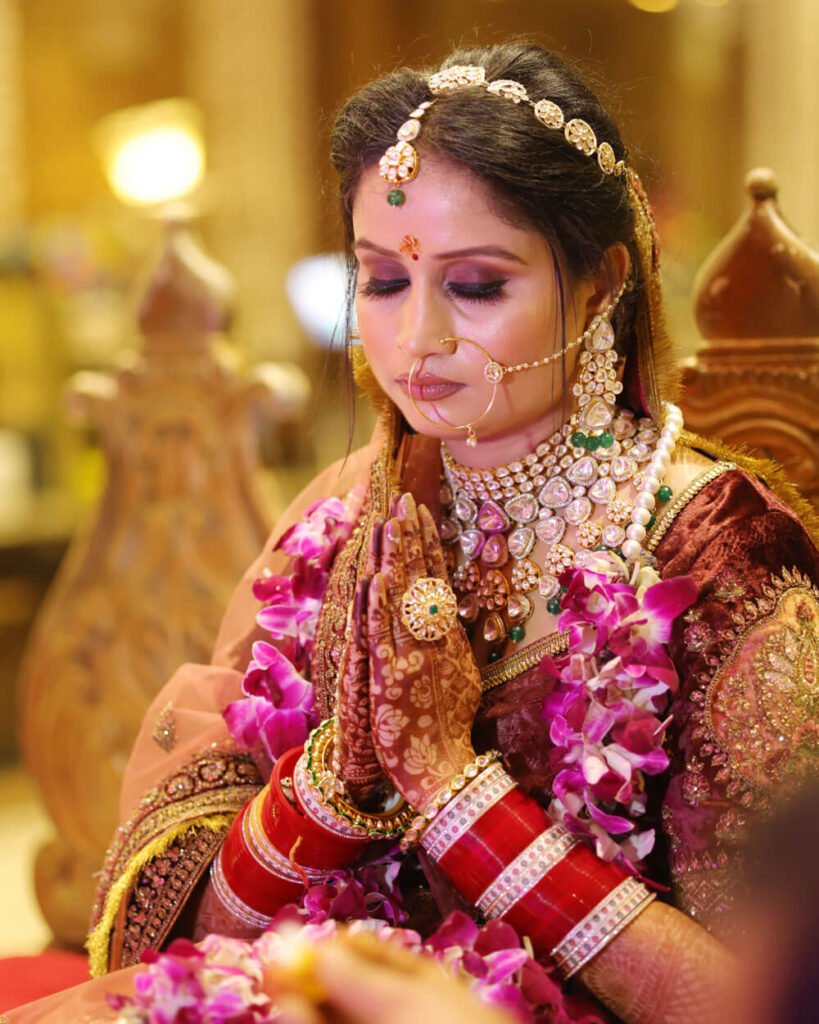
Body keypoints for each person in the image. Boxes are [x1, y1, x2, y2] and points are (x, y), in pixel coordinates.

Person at [6, 40, 818, 1024]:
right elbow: (177, 946)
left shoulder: (718, 552)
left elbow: (761, 998)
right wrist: (335, 781)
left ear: (601, 284)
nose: (417, 338)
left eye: (475, 285)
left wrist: (450, 783)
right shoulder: (344, 517)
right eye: (384, 282)